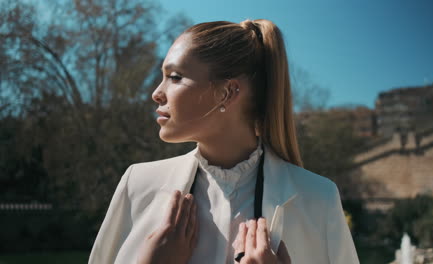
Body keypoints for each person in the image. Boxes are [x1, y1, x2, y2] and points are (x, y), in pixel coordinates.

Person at [88, 19, 359, 264]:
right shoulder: (137, 184)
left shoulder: (319, 198)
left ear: (227, 93)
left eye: (174, 77)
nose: (157, 93)